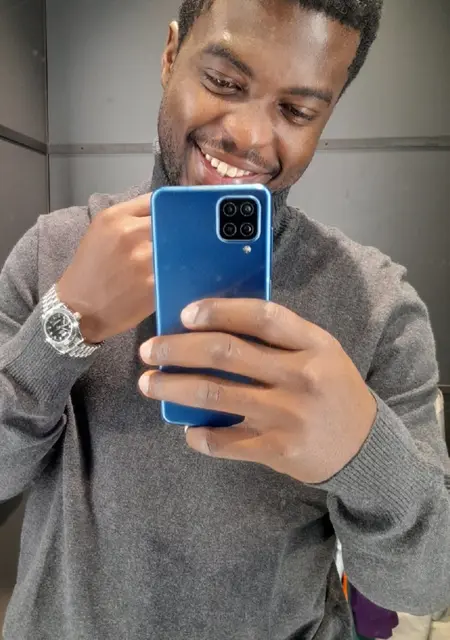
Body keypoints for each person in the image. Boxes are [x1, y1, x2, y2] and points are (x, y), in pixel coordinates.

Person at [0, 0, 449, 638]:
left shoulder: (378, 308)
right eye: (224, 82)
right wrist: (67, 322)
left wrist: (361, 451)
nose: (250, 136)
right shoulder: (54, 251)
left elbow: (424, 586)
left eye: (297, 111)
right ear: (170, 56)